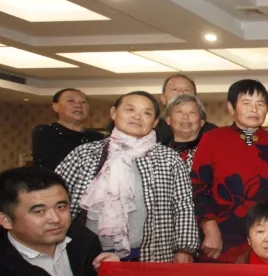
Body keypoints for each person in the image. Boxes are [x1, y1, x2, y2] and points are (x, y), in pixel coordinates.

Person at [55, 91, 199, 263]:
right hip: (87, 256)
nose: (137, 117)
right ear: (113, 112)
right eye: (130, 110)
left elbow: (183, 205)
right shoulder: (85, 154)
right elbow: (56, 200)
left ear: (154, 122)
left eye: (146, 113)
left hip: (152, 256)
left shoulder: (169, 159)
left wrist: (184, 249)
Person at [192, 80, 268, 262]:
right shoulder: (212, 139)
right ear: (231, 107)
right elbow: (198, 187)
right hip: (222, 236)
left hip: (267, 238)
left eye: (260, 104)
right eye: (246, 103)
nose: (254, 109)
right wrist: (209, 227)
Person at [31, 88, 103, 172]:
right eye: (71, 101)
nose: (78, 105)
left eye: (83, 102)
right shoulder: (46, 132)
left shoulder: (99, 138)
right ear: (55, 107)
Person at [154, 74, 217, 144]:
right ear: (163, 98)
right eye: (174, 90)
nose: (181, 93)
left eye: (187, 90)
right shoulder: (153, 130)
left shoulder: (211, 132)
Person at [162, 94, 207, 169]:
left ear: (202, 122)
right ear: (168, 120)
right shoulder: (159, 152)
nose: (185, 117)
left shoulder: (213, 149)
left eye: (192, 112)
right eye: (179, 112)